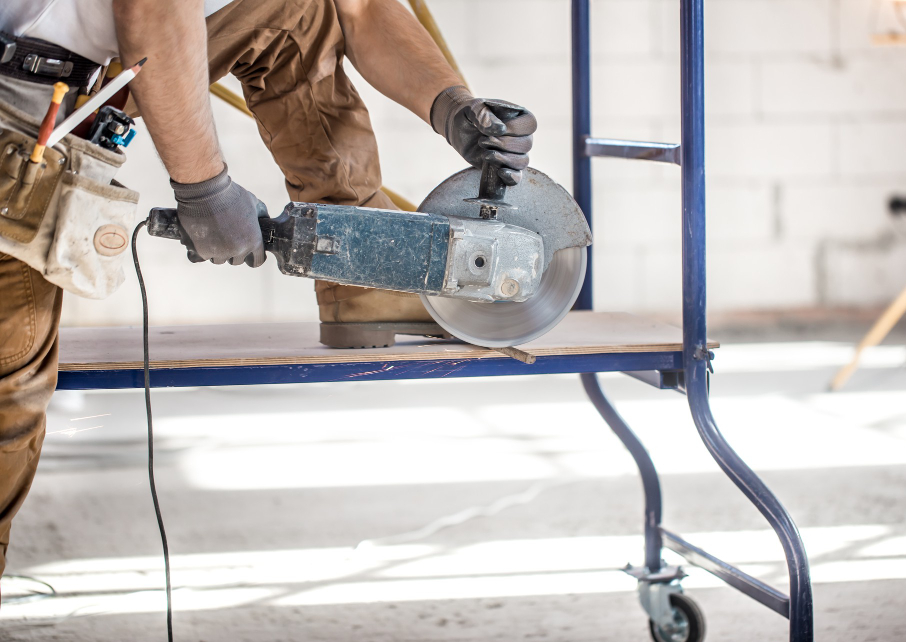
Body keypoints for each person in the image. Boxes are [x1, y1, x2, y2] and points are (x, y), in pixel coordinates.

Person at [0, 0, 535, 587]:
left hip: (75, 80)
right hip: (18, 101)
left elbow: (359, 8)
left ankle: (358, 281)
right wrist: (204, 190)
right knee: (9, 391)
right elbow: (152, 10)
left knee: (297, 14)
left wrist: (453, 107)